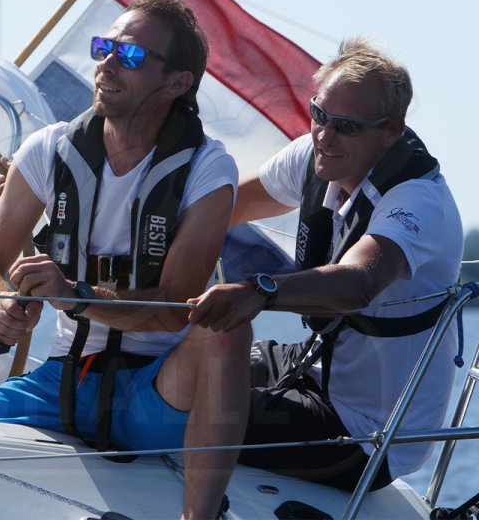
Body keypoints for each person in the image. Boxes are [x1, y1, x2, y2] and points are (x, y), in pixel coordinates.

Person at [0, 0, 244, 520]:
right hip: (64, 379)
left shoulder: (208, 171)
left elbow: (175, 305)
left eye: (129, 56)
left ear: (178, 82)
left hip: (157, 392)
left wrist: (76, 295)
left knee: (223, 325)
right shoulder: (49, 149)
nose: (107, 63)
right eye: (103, 47)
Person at [189, 37, 463, 491]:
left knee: (187, 404)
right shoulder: (317, 154)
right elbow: (224, 206)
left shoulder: (419, 201)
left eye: (346, 126)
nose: (324, 135)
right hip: (314, 368)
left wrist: (260, 291)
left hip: (364, 434)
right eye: (319, 114)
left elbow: (360, 283)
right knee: (176, 367)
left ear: (391, 130)